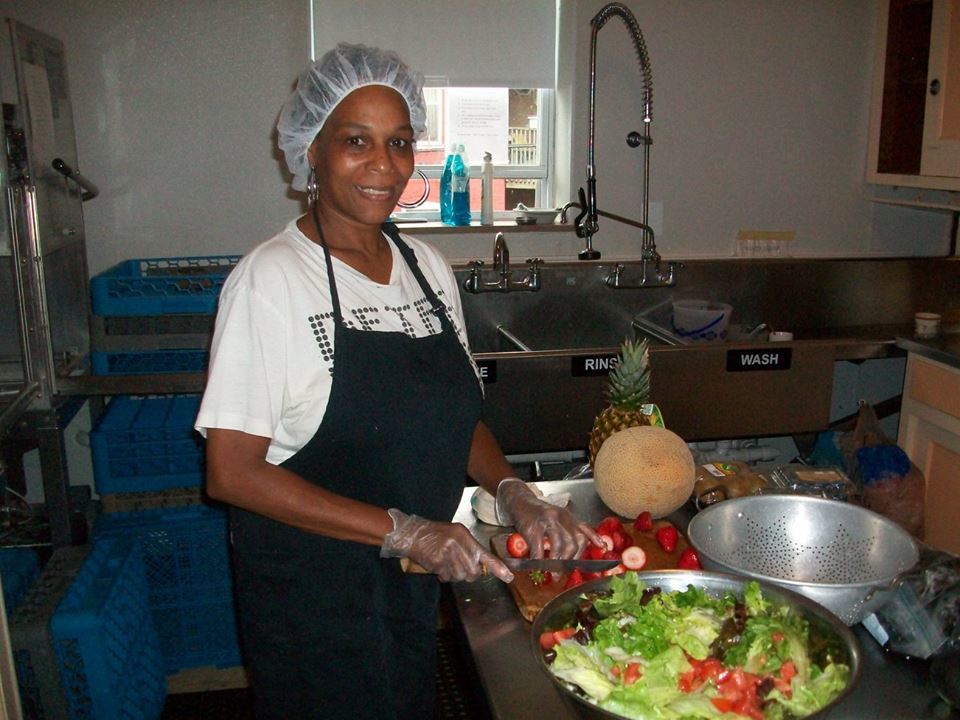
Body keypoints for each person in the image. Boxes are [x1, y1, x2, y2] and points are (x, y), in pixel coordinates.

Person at [195, 43, 600, 720]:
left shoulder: (427, 269)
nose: (383, 165)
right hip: (314, 598)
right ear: (311, 154)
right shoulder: (271, 280)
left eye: (400, 142)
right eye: (356, 141)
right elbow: (231, 473)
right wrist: (403, 531)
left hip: (410, 582)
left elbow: (451, 417)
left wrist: (513, 493)